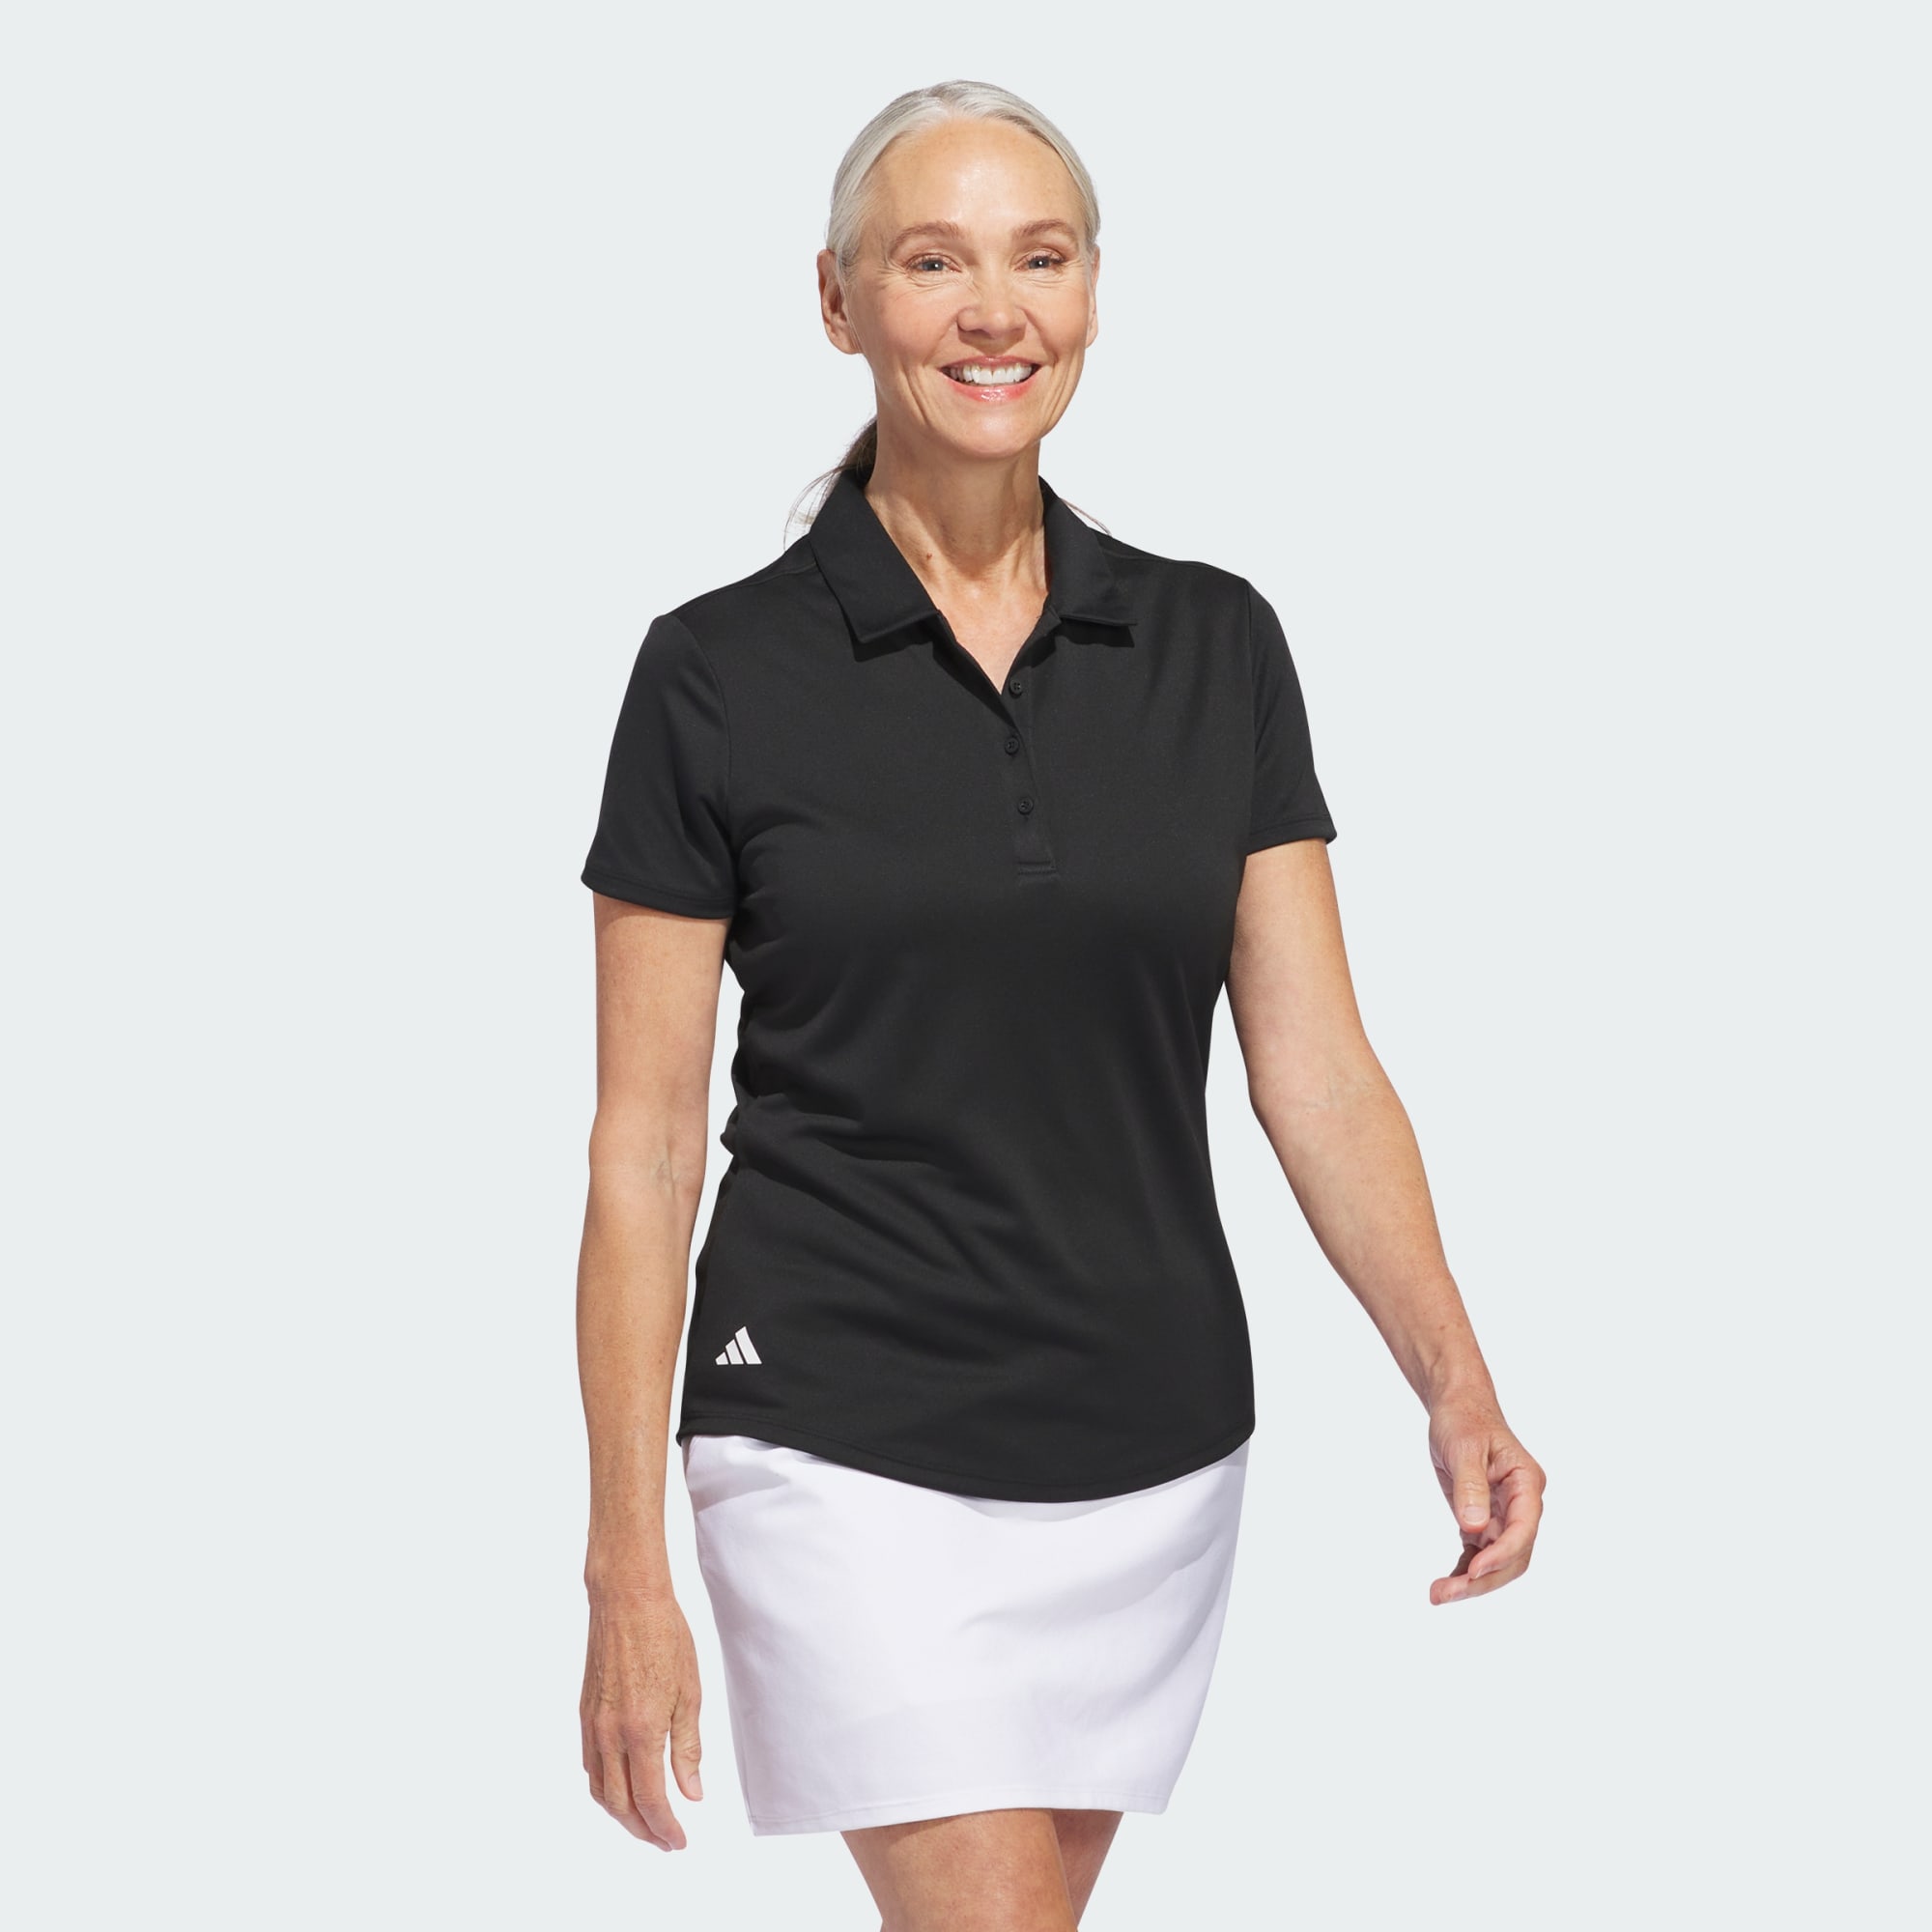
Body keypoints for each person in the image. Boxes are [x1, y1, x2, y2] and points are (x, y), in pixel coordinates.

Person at [575, 76, 1546, 1931]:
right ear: (840, 301)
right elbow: (643, 1147)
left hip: (1148, 1436)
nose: (993, 312)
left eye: (1039, 257)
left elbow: (1319, 1071)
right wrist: (627, 1559)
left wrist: (1455, 1381)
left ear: (1095, 291)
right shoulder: (712, 675)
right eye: (931, 261)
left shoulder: (1214, 642)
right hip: (838, 1418)